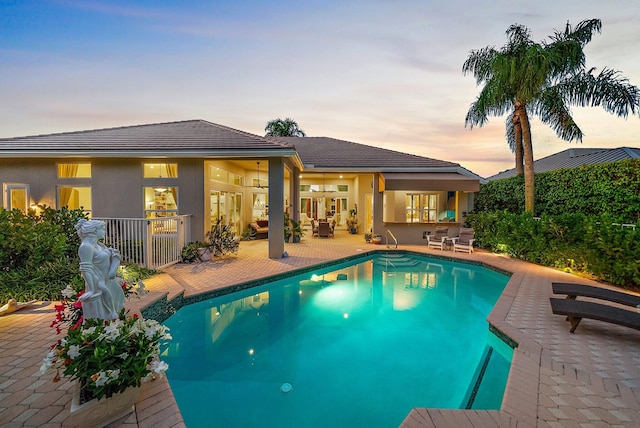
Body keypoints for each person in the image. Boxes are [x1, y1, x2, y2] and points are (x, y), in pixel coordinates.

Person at [75, 219, 125, 320]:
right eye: (102, 229)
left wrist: (113, 254)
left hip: (108, 279)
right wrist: (92, 289)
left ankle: (113, 318)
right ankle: (111, 313)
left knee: (119, 301)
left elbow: (106, 256)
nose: (104, 232)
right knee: (104, 292)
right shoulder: (86, 247)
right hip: (98, 280)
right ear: (94, 231)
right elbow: (86, 269)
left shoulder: (99, 245)